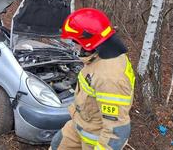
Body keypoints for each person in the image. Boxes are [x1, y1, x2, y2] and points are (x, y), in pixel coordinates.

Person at [50, 8, 135, 150]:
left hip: (94, 138)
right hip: (79, 124)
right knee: (56, 145)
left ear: (89, 41)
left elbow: (116, 131)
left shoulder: (110, 78)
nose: (73, 45)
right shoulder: (100, 55)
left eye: (75, 41)